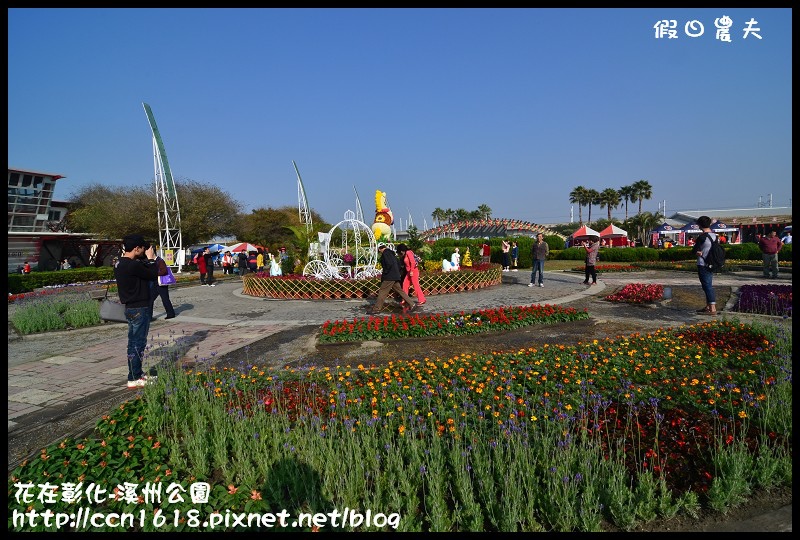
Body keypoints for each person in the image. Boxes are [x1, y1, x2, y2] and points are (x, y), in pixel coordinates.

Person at [114, 234, 159, 388]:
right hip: (140, 307)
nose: (144, 250)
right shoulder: (133, 265)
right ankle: (135, 377)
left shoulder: (119, 263)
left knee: (133, 343)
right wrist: (151, 259)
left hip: (130, 308)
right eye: (142, 248)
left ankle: (135, 374)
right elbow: (153, 274)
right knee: (138, 344)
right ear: (136, 248)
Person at [368, 244, 418, 314]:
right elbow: (398, 264)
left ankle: (377, 309)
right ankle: (412, 304)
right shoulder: (392, 254)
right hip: (395, 275)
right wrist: (397, 273)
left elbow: (388, 264)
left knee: (382, 292)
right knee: (400, 291)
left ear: (379, 249)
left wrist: (385, 272)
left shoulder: (385, 254)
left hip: (389, 276)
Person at [694, 216, 718, 315]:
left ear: (700, 225)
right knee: (708, 284)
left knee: (707, 286)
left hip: (703, 263)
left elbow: (695, 250)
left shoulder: (702, 237)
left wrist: (698, 252)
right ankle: (708, 306)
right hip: (711, 263)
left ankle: (712, 308)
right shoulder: (715, 236)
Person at [149, 255, 176, 320]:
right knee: (150, 299)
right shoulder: (152, 261)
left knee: (165, 299)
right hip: (155, 283)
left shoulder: (160, 260)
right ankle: (149, 316)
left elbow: (164, 271)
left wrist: (154, 273)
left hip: (161, 284)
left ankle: (171, 314)